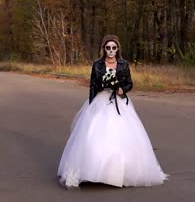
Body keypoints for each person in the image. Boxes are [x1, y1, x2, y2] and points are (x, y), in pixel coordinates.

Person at [57, 34, 168, 188]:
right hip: (101, 100)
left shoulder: (124, 64)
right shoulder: (97, 64)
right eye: (108, 47)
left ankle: (118, 173)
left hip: (119, 102)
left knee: (123, 135)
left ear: (117, 49)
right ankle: (91, 171)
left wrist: (122, 89)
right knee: (93, 134)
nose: (111, 50)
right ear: (104, 49)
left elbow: (130, 83)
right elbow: (92, 85)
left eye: (114, 48)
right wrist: (92, 101)